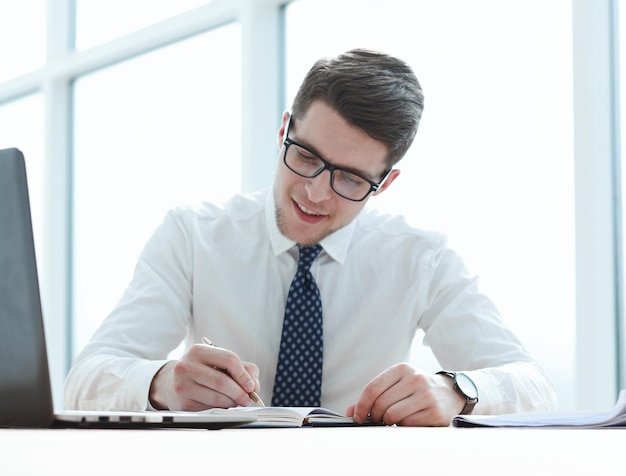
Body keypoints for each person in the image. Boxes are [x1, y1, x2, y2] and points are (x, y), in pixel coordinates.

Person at [64, 48, 557, 426]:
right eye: (305, 156)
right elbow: (84, 381)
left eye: (350, 178)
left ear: (384, 184)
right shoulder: (193, 234)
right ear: (284, 130)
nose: (316, 192)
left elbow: (535, 386)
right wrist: (161, 383)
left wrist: (459, 390)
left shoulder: (420, 256)